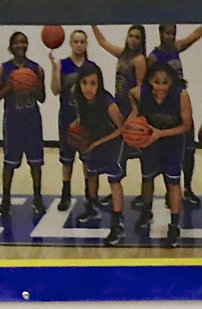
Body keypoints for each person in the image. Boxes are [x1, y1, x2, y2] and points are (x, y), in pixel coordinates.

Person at [131, 62, 193, 247]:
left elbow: (186, 126)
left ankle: (174, 226)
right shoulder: (142, 93)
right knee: (147, 178)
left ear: (172, 82)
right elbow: (130, 93)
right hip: (151, 142)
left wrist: (160, 133)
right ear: (150, 81)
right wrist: (135, 113)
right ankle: (146, 212)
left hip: (173, 142)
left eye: (165, 82)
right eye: (157, 82)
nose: (160, 87)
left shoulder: (181, 95)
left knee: (173, 183)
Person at [146, 22, 202, 204]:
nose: (171, 36)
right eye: (168, 33)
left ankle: (188, 188)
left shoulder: (177, 47)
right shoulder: (154, 57)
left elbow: (196, 34)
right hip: (166, 108)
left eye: (173, 33)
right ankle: (169, 191)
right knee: (168, 152)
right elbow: (148, 83)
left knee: (189, 150)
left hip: (181, 103)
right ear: (160, 33)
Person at [0, 31, 47, 219]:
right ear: (11, 46)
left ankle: (37, 198)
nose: (20, 45)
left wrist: (33, 86)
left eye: (23, 42)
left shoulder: (37, 69)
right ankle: (5, 198)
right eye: (16, 42)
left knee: (36, 163)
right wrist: (10, 87)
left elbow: (43, 98)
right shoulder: (2, 69)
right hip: (13, 122)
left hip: (32, 120)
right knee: (9, 164)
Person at [91, 24, 149, 199]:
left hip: (132, 110)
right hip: (119, 106)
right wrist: (92, 22)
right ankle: (116, 189)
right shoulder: (122, 54)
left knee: (140, 152)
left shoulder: (139, 60)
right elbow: (102, 42)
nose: (133, 39)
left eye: (137, 37)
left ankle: (144, 193)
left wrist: (135, 112)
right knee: (118, 151)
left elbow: (140, 87)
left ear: (141, 41)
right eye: (131, 35)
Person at [72, 65, 127, 245]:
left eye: (93, 83)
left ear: (100, 84)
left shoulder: (108, 102)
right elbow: (82, 119)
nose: (88, 87)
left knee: (114, 180)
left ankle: (117, 223)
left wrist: (95, 143)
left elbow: (122, 128)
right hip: (95, 139)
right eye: (85, 83)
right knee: (91, 174)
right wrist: (78, 132)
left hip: (113, 141)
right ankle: (92, 207)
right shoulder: (80, 99)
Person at [50, 29, 98, 210]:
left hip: (87, 120)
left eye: (82, 41)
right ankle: (65, 194)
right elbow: (55, 91)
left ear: (86, 44)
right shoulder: (62, 65)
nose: (79, 45)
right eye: (76, 41)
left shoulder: (91, 67)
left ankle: (89, 195)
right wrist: (55, 71)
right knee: (66, 160)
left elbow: (97, 95)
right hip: (67, 119)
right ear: (70, 43)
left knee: (87, 160)